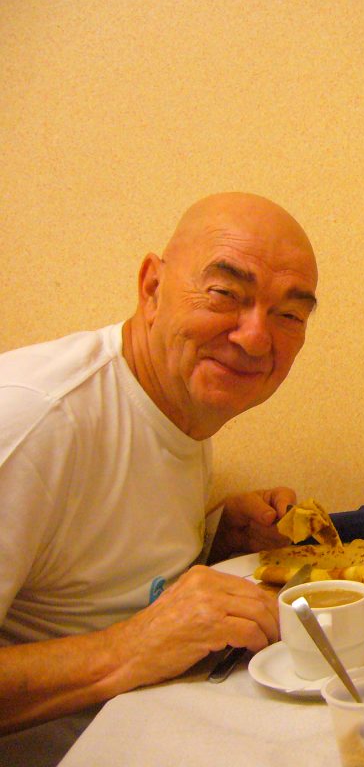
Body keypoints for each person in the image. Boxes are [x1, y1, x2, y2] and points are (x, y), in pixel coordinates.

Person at [0, 192, 319, 765]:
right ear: (152, 288)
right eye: (225, 294)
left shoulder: (180, 404)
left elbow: (109, 588)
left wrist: (219, 540)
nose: (255, 338)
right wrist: (128, 649)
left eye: (289, 315)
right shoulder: (33, 419)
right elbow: (138, 633)